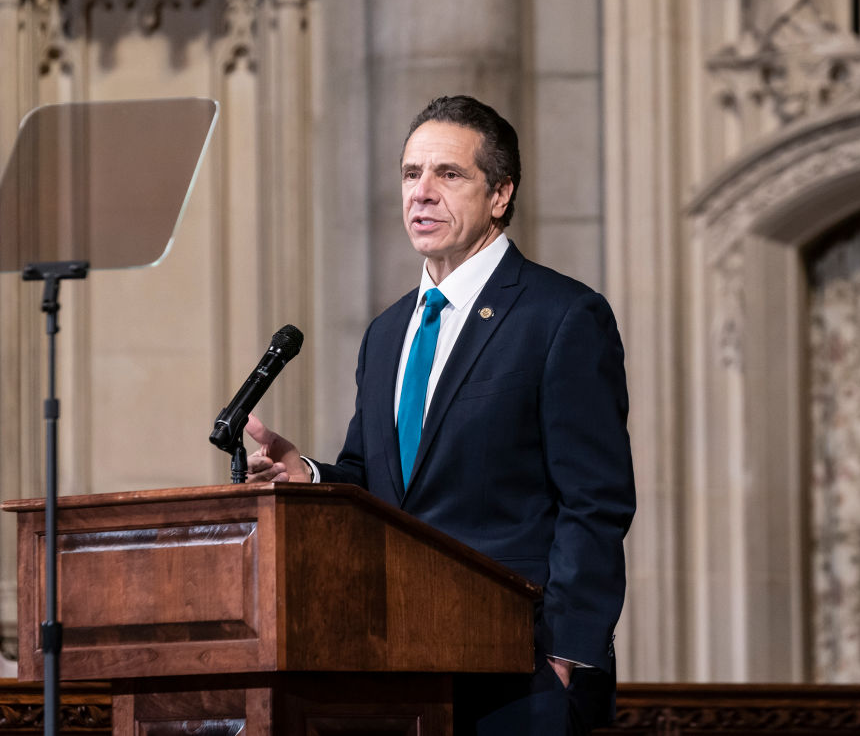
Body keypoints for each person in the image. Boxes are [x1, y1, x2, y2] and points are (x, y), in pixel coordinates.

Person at [245, 95, 635, 735]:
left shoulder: (561, 317)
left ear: (500, 194)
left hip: (520, 670)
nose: (421, 193)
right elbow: (379, 482)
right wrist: (311, 477)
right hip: (397, 665)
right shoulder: (387, 331)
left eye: (448, 175)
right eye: (409, 174)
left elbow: (596, 500)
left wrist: (566, 654)